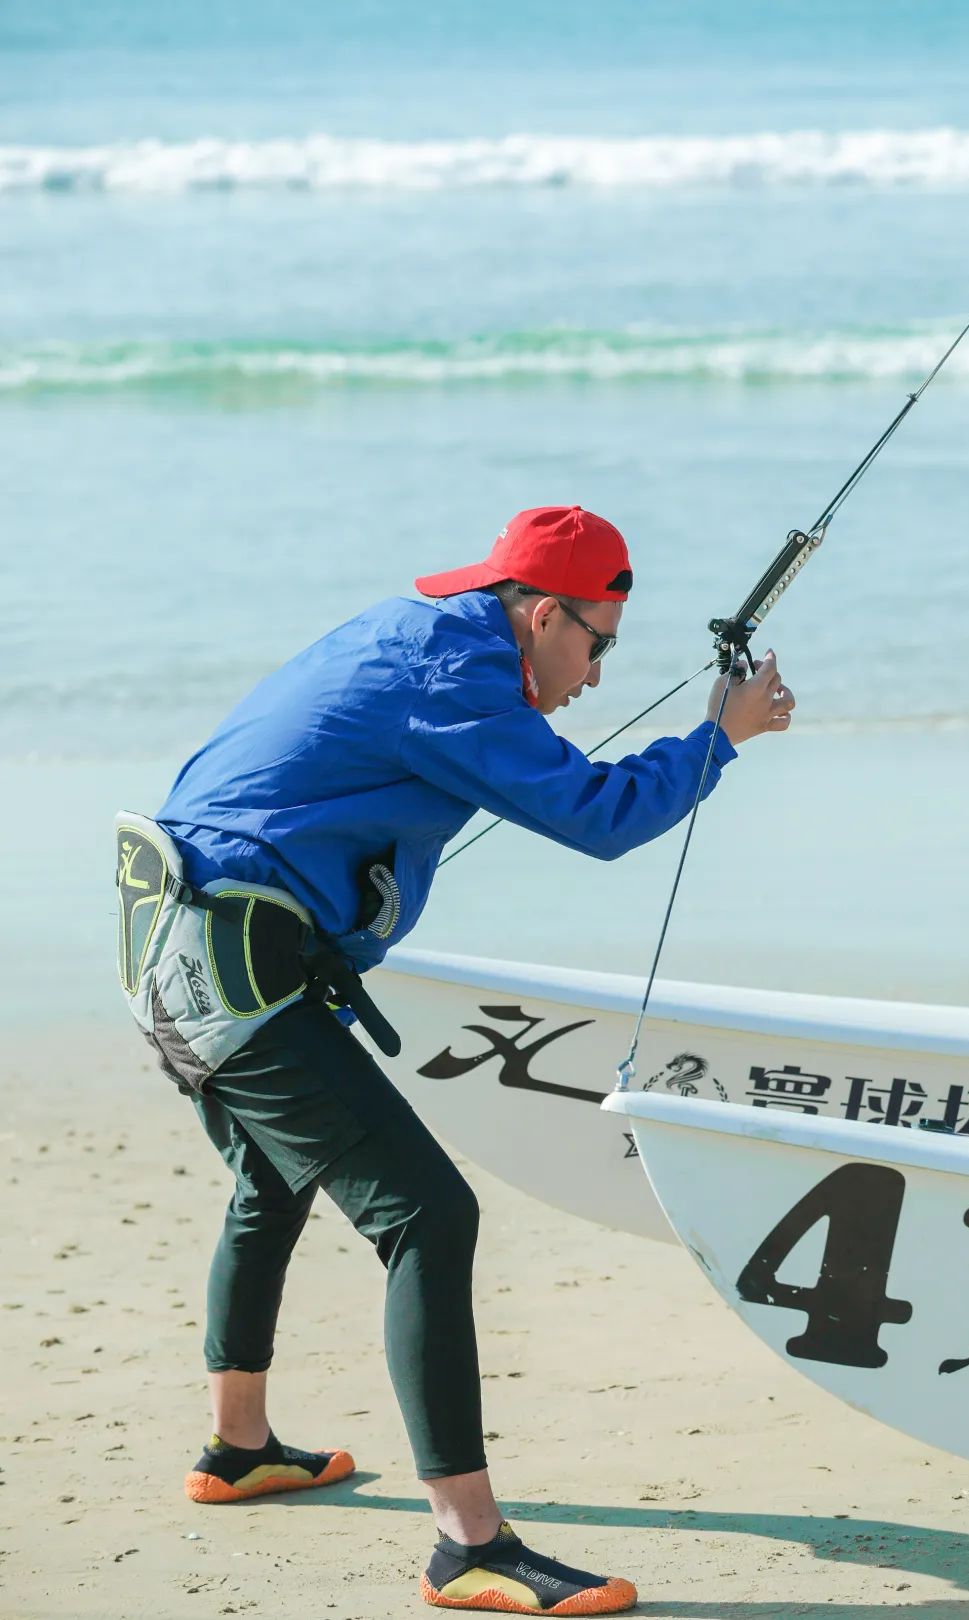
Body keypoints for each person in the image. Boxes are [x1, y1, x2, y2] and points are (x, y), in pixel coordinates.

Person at [132, 504, 794, 1615]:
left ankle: (239, 1449)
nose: (595, 674)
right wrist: (719, 735)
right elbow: (601, 815)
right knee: (428, 1216)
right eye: (597, 644)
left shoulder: (419, 636)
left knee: (271, 1178)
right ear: (541, 615)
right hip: (234, 961)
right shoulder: (454, 681)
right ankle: (468, 1545)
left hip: (177, 947)